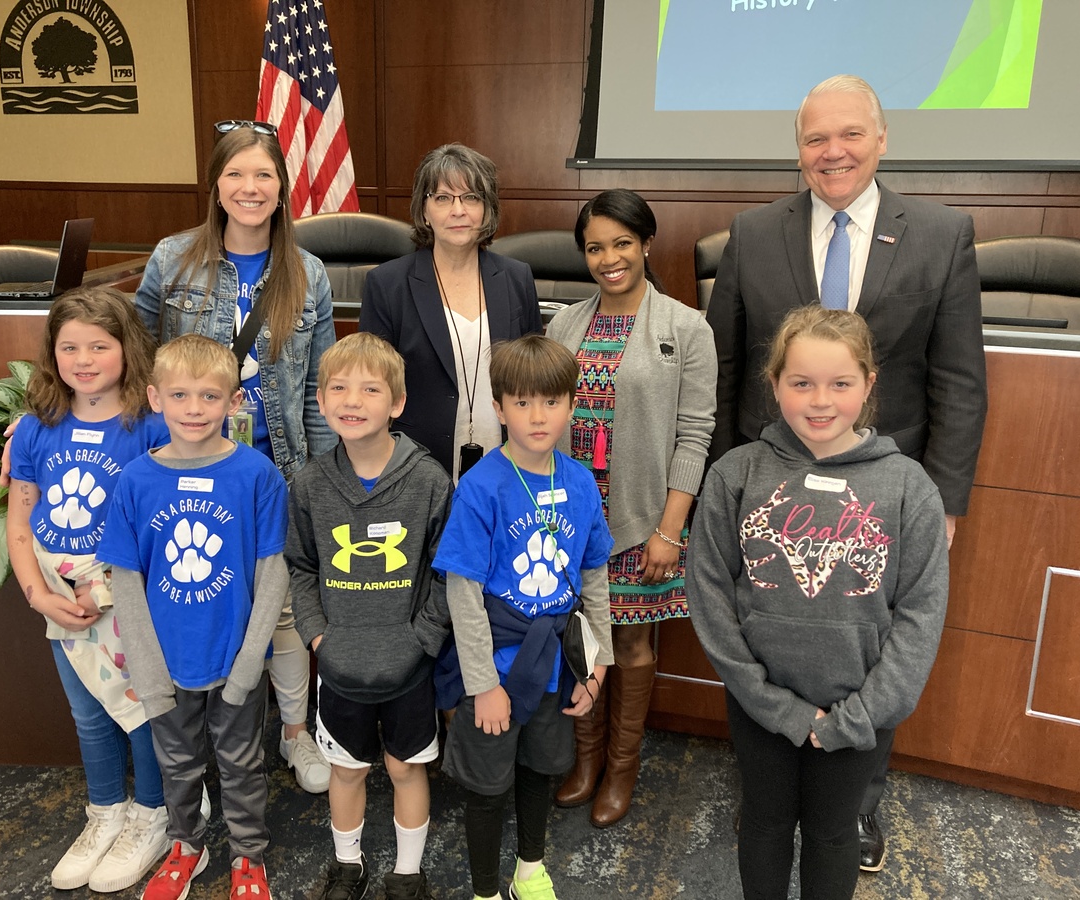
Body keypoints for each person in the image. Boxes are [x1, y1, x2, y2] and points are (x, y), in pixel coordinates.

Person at [705, 74, 987, 869]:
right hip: (769, 493)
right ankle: (767, 795)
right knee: (775, 638)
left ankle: (854, 806)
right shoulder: (752, 234)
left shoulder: (941, 233)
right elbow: (727, 371)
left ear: (882, 138)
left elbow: (959, 381)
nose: (832, 152)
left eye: (850, 135)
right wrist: (724, 490)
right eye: (815, 139)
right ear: (798, 150)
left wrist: (945, 500)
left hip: (886, 495)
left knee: (870, 643)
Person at [688, 306, 949, 900]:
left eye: (840, 383)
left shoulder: (908, 487)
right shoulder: (736, 474)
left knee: (834, 834)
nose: (820, 400)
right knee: (764, 819)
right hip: (760, 705)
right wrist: (772, 703)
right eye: (801, 382)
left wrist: (859, 716)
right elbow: (709, 592)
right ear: (774, 383)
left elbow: (920, 614)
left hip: (860, 713)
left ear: (869, 384)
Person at [134, 120, 336, 795]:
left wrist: (317, 480)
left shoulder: (307, 272)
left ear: (282, 189)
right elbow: (130, 358)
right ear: (216, 185)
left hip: (274, 471)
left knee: (280, 611)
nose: (250, 188)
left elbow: (316, 388)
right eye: (237, 175)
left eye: (264, 176)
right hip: (190, 471)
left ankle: (295, 732)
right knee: (207, 599)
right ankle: (210, 736)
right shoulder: (174, 259)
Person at [545, 189, 716, 827]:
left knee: (634, 645)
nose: (609, 258)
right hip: (570, 522)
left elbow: (695, 435)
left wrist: (669, 530)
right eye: (595, 247)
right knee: (581, 641)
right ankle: (585, 760)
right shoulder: (563, 324)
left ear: (646, 244)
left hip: (644, 520)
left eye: (622, 243)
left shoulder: (686, 328)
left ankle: (622, 768)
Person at [97, 334, 289, 900]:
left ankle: (248, 857)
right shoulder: (134, 481)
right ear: (155, 398)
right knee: (176, 765)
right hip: (166, 663)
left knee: (241, 764)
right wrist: (149, 672)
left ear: (234, 403)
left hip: (236, 661)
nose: (194, 409)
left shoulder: (257, 476)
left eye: (210, 396)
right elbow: (126, 583)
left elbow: (273, 572)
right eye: (180, 395)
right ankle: (186, 846)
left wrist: (251, 662)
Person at [433, 334, 615, 900]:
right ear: (499, 406)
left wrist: (598, 663)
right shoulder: (482, 487)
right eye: (522, 402)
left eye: (552, 401)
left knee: (543, 767)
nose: (538, 416)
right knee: (488, 785)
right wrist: (482, 684)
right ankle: (486, 888)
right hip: (497, 662)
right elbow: (462, 595)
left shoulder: (580, 481)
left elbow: (593, 577)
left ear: (571, 403)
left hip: (557, 660)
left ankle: (529, 868)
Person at [6, 287, 171, 893]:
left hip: (123, 595)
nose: (83, 358)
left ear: (127, 350)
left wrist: (106, 593)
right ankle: (105, 812)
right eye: (69, 346)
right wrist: (35, 593)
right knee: (89, 714)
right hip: (57, 596)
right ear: (52, 353)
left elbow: (165, 517)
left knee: (145, 712)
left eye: (99, 346)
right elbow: (20, 519)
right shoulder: (35, 428)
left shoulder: (150, 426)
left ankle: (154, 815)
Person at [286, 332, 453, 900]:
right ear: (322, 400)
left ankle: (408, 873)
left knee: (407, 769)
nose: (352, 400)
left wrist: (424, 637)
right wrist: (315, 635)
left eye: (369, 388)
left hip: (408, 663)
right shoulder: (309, 483)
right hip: (341, 665)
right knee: (348, 772)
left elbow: (446, 570)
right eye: (338, 387)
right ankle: (346, 865)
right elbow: (301, 565)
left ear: (396, 404)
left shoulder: (429, 481)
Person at [359, 142, 543, 481]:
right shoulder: (388, 284)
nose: (458, 210)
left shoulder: (517, 278)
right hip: (414, 467)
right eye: (443, 198)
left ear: (487, 209)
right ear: (424, 210)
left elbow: (533, 380)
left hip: (509, 463)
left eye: (471, 197)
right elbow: (372, 388)